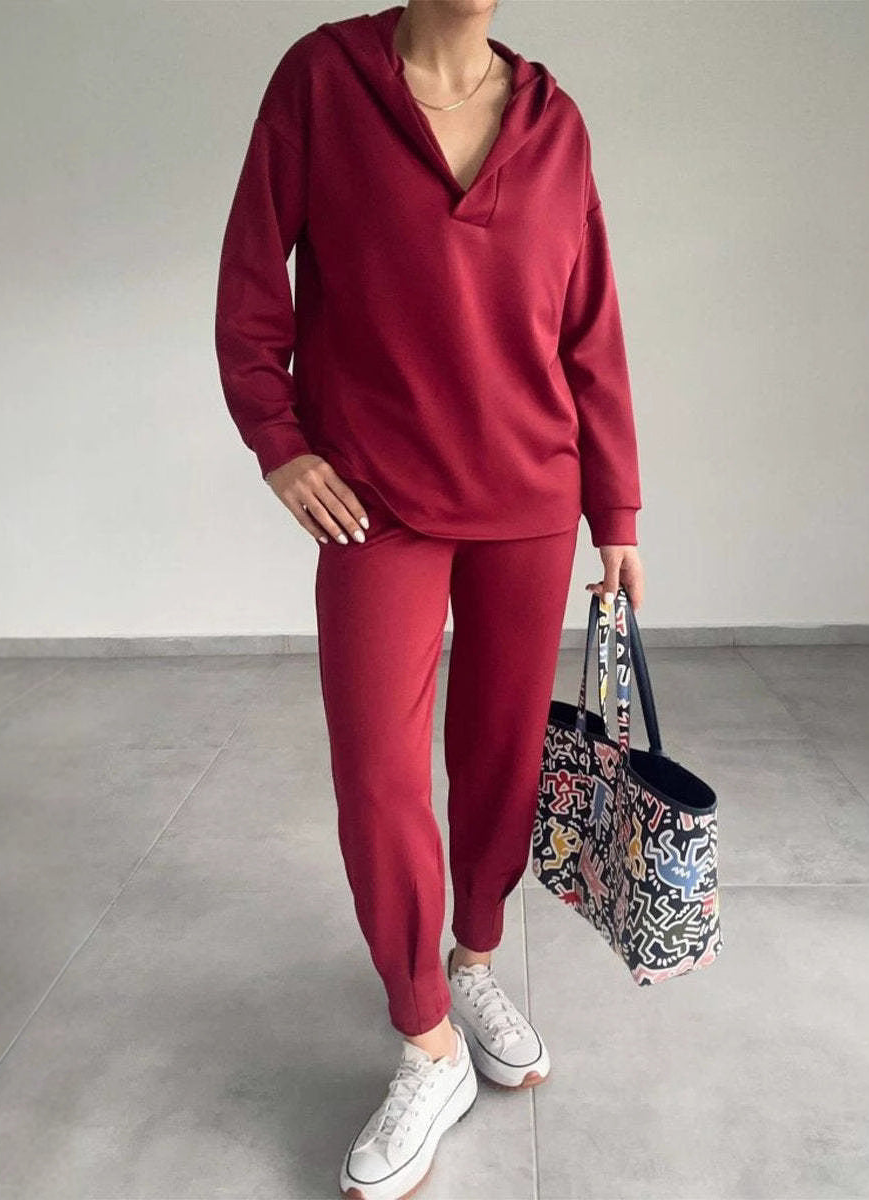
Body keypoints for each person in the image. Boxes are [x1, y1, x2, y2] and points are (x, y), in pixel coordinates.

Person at [215, 2, 644, 1196]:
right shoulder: (321, 82)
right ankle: (426, 1039)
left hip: (529, 498)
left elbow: (592, 328)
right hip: (376, 499)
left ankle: (475, 960)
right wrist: (278, 440)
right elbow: (251, 281)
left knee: (501, 756)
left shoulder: (555, 123)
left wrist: (616, 509)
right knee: (377, 771)